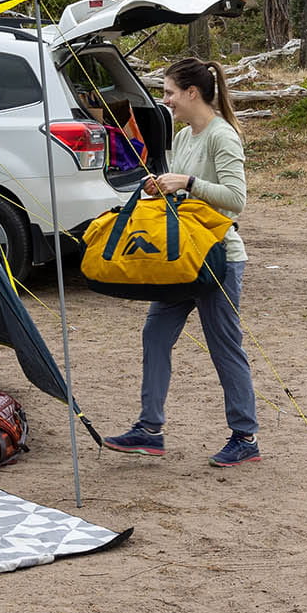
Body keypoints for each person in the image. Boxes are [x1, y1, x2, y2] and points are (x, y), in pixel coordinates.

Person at [103, 57, 260, 467]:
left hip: (217, 258)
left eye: (170, 92)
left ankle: (245, 437)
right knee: (155, 335)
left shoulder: (221, 136)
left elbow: (236, 199)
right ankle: (149, 430)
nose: (165, 100)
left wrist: (187, 182)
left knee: (224, 346)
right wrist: (163, 187)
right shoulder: (185, 134)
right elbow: (186, 195)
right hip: (182, 259)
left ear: (192, 93)